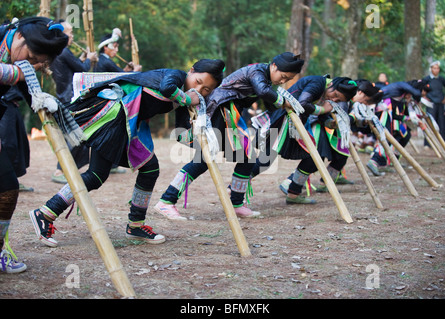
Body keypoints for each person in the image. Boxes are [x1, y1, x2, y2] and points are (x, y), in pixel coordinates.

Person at [29, 59, 225, 247]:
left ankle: (135, 225)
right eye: (198, 82)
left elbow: (181, 134)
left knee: (149, 169)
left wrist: (203, 140)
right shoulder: (174, 76)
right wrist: (187, 98)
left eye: (206, 90)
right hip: (114, 115)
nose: (198, 90)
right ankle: (45, 213)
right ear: (191, 71)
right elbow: (167, 88)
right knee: (96, 175)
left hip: (130, 125)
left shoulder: (186, 97)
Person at [154, 52, 303, 219]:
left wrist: (283, 105)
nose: (283, 81)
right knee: (203, 160)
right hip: (218, 110)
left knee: (247, 158)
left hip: (231, 114)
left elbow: (270, 102)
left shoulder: (267, 80)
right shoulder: (257, 72)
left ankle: (236, 203)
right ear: (274, 66)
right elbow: (263, 91)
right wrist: (282, 101)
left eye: (286, 79)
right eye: (282, 76)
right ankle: (167, 201)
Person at [0, 16, 68, 273]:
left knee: (7, 186)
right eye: (29, 57)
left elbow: (32, 94)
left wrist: (60, 119)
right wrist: (22, 70)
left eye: (37, 63)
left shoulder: (20, 59)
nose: (29, 65)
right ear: (19, 36)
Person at [250, 75, 358, 204]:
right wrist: (323, 109)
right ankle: (234, 189)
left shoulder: (324, 91)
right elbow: (303, 104)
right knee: (266, 160)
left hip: (297, 124)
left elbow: (320, 115)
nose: (333, 99)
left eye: (337, 99)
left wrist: (330, 123)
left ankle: (293, 194)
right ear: (332, 84)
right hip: (283, 120)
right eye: (335, 94)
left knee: (312, 159)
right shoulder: (318, 82)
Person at [303, 80, 384, 194]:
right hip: (320, 127)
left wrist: (362, 122)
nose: (364, 103)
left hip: (332, 131)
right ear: (360, 93)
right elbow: (342, 119)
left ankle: (325, 183)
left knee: (341, 157)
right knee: (315, 159)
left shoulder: (352, 103)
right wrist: (353, 118)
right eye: (365, 100)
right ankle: (292, 184)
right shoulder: (343, 100)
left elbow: (349, 121)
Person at [50, 19, 98, 184]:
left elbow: (73, 66)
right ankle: (59, 170)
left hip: (64, 97)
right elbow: (83, 69)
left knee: (79, 135)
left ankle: (67, 169)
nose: (71, 36)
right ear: (61, 34)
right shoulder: (63, 51)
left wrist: (83, 58)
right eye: (69, 33)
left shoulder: (59, 52)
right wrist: (89, 59)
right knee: (74, 135)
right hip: (70, 98)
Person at [94, 28, 142, 174]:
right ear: (105, 47)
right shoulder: (104, 61)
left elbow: (118, 74)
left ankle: (113, 164)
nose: (116, 49)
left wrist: (126, 70)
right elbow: (122, 78)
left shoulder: (106, 61)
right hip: (104, 103)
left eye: (117, 46)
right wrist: (135, 72)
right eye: (113, 46)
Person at [366, 80, 426, 176]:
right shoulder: (400, 85)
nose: (409, 98)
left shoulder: (398, 97)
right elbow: (416, 93)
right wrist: (417, 98)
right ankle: (374, 161)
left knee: (397, 136)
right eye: (410, 95)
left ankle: (383, 163)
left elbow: (395, 115)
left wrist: (408, 118)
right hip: (382, 113)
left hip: (387, 114)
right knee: (385, 137)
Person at [0, 87, 33, 192]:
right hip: (5, 100)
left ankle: (10, 180)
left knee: (17, 143)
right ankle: (5, 181)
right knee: (8, 144)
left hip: (9, 100)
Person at [422, 61, 445, 144]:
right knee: (430, 123)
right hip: (431, 104)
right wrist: (424, 97)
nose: (436, 70)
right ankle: (428, 143)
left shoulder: (441, 79)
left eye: (437, 68)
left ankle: (443, 142)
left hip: (440, 103)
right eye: (434, 68)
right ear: (431, 69)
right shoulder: (427, 79)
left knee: (441, 123)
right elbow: (420, 88)